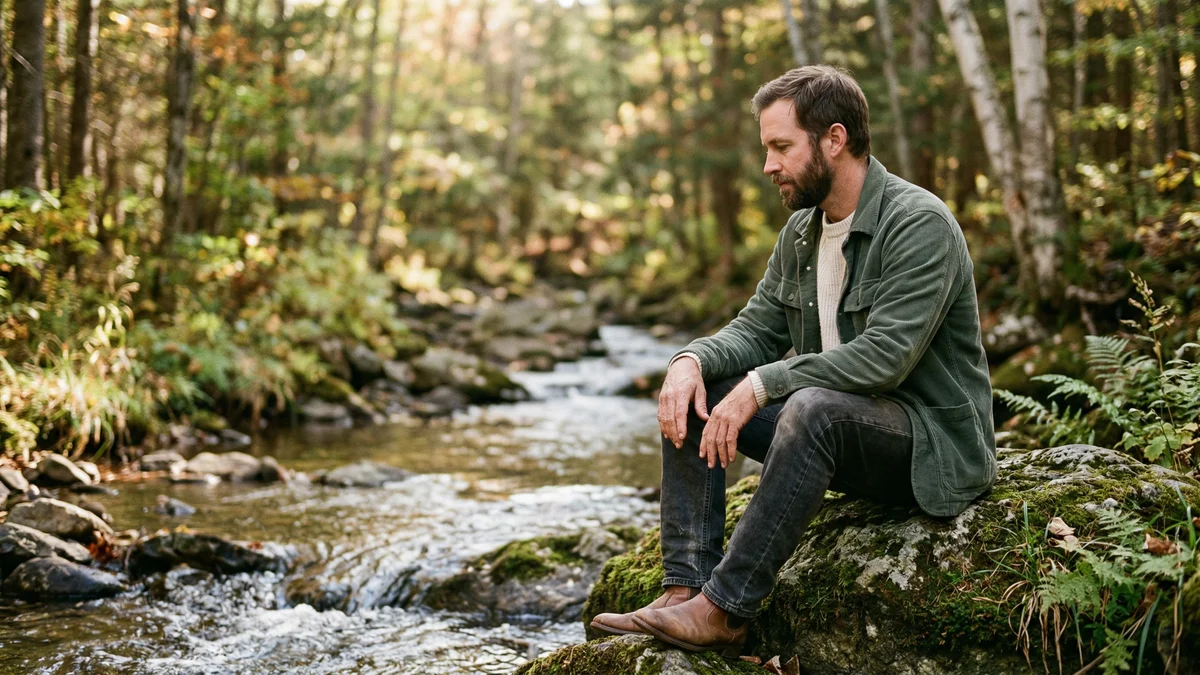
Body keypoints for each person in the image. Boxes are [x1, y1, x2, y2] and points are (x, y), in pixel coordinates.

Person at [590, 65, 996, 656]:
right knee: (702, 391)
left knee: (811, 407)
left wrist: (764, 384)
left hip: (927, 447)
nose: (768, 165)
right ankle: (684, 592)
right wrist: (688, 362)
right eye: (766, 148)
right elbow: (756, 329)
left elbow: (885, 359)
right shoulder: (802, 232)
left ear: (834, 139)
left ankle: (725, 611)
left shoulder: (918, 223)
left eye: (782, 146)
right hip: (843, 432)